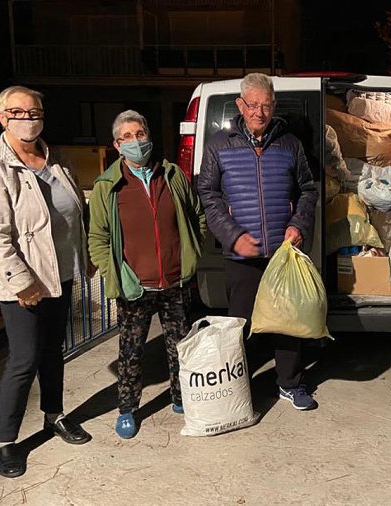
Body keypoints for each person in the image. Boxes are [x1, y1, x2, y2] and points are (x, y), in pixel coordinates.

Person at [0, 86, 92, 478]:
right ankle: (4, 441)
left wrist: (83, 258)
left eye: (34, 110)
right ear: (2, 118)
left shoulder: (56, 160)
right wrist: (21, 282)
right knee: (24, 358)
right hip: (23, 283)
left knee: (54, 350)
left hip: (59, 275)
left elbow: (74, 215)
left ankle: (54, 415)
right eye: (17, 112)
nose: (27, 117)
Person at [196, 72, 319, 410]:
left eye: (266, 105)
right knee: (241, 324)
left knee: (288, 319)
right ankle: (238, 386)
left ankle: (290, 383)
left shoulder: (291, 145)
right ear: (240, 105)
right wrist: (233, 236)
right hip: (241, 254)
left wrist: (298, 225)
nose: (259, 112)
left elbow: (308, 191)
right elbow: (208, 194)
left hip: (283, 251)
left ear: (273, 105)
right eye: (253, 105)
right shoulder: (220, 145)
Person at [88, 110, 206, 439]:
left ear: (149, 136)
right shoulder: (108, 186)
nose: (135, 141)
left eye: (140, 134)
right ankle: (127, 408)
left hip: (174, 280)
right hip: (134, 286)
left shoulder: (171, 175)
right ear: (116, 144)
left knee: (180, 346)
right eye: (127, 137)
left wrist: (192, 256)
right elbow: (97, 237)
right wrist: (115, 273)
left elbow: (196, 214)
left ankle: (181, 397)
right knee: (131, 350)